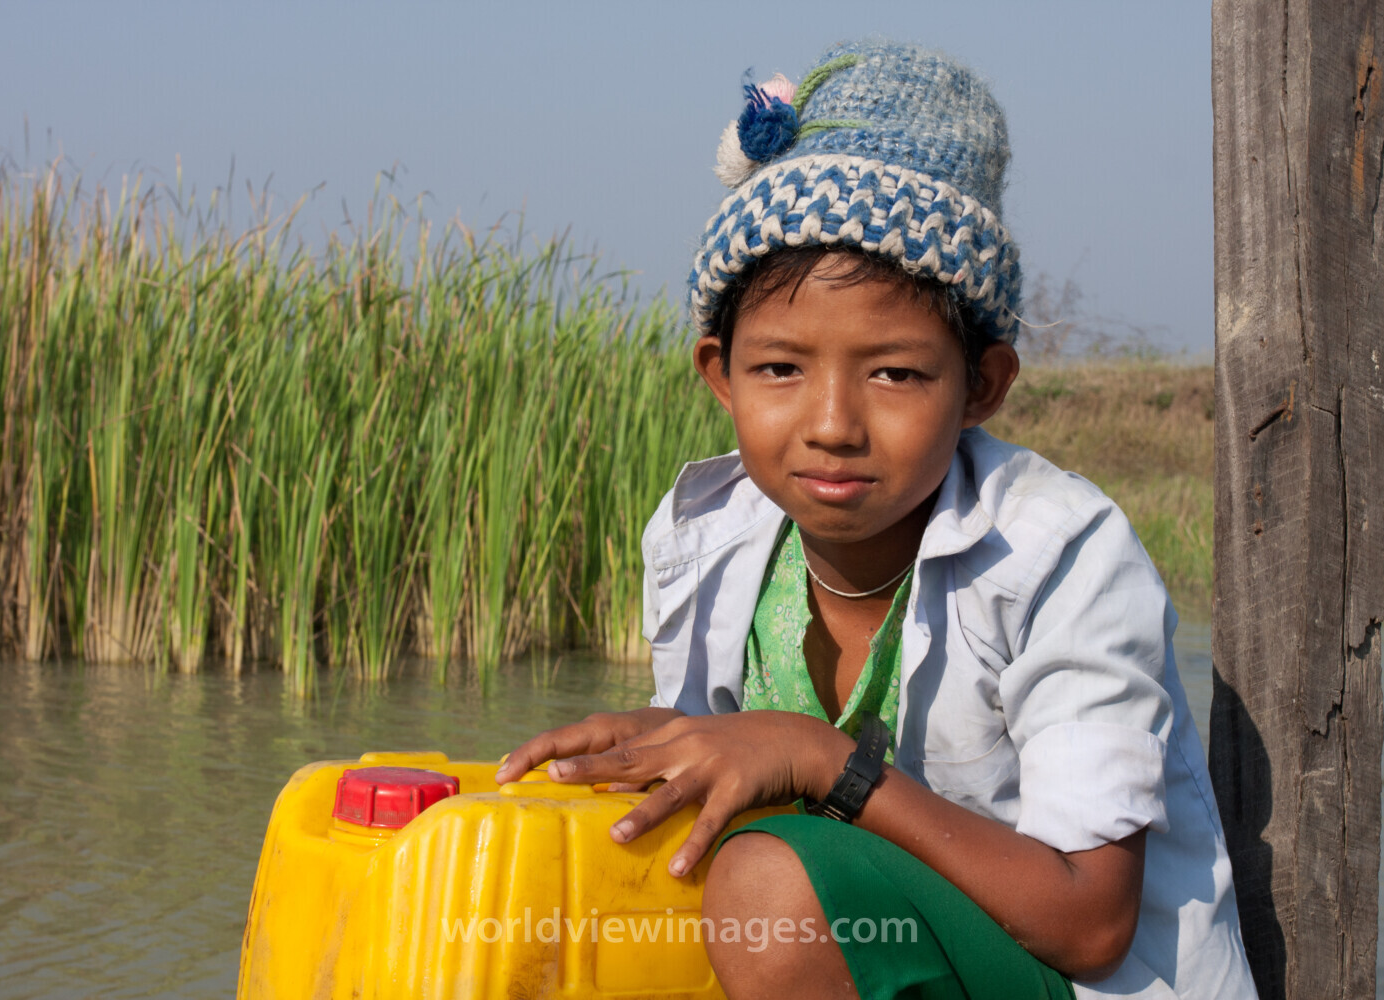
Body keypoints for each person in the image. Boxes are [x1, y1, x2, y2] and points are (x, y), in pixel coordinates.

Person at [496, 40, 1258, 1000]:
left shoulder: (1060, 551)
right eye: (780, 369)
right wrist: (666, 744)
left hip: (1065, 979)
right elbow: (744, 773)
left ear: (981, 385)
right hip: (874, 953)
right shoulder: (707, 530)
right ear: (719, 377)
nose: (831, 425)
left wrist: (818, 760)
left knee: (769, 883)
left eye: (895, 373)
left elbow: (1092, 921)